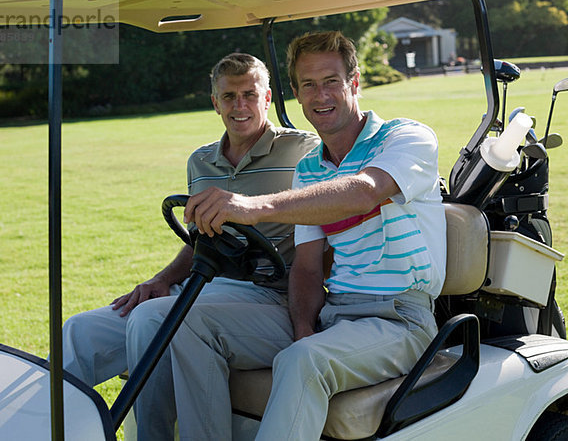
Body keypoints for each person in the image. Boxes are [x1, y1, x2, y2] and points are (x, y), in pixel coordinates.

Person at [170, 31, 446, 440]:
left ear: (354, 83)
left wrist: (255, 207)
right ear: (297, 95)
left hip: (400, 318)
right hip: (334, 314)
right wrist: (302, 325)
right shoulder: (310, 171)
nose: (321, 96)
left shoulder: (405, 137)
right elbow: (306, 267)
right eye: (308, 85)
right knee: (188, 324)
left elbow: (363, 192)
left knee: (303, 361)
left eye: (331, 81)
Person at [60, 52, 319, 440]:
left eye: (250, 94)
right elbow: (202, 240)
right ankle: (33, 426)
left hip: (269, 294)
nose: (240, 105)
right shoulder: (201, 161)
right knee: (80, 331)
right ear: (215, 102)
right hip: (205, 284)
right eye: (229, 96)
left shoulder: (302, 150)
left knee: (152, 320)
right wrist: (162, 279)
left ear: (267, 98)